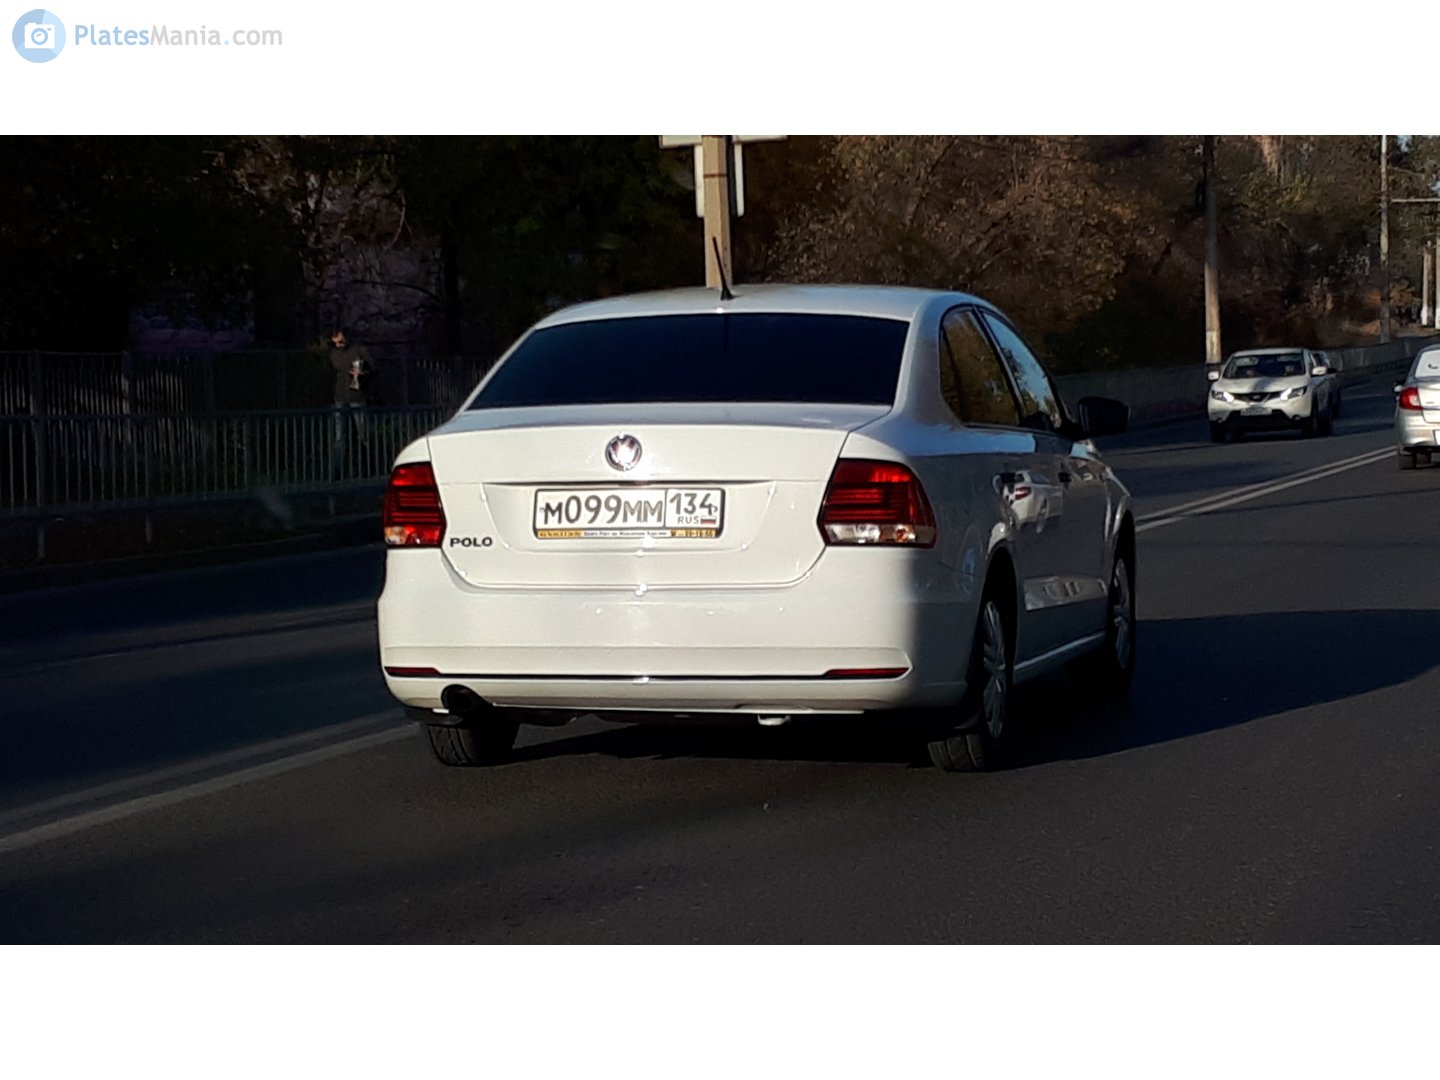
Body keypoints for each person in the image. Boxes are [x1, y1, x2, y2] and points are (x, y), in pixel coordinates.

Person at [327, 327, 378, 479]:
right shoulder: (334, 354)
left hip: (357, 396)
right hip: (341, 397)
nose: (338, 345)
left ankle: (367, 469)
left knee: (363, 435)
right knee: (339, 437)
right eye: (335, 343)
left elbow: (374, 369)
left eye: (341, 342)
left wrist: (363, 375)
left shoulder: (359, 350)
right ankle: (338, 472)